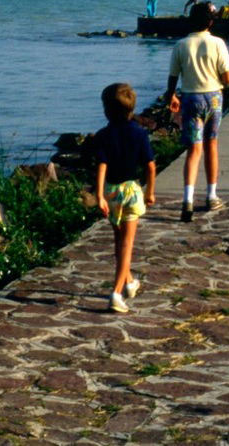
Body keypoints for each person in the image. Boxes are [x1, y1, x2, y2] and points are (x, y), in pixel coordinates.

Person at [166, 2, 229, 222]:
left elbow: (172, 79)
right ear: (211, 21)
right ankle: (211, 195)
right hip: (213, 97)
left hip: (190, 98)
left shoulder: (180, 45)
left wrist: (171, 97)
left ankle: (187, 200)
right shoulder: (218, 43)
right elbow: (228, 78)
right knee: (211, 144)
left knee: (193, 150)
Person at [93, 82, 156, 313]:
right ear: (132, 108)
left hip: (111, 192)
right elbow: (150, 166)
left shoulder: (103, 135)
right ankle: (116, 292)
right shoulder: (139, 134)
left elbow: (101, 165)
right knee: (127, 244)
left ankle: (129, 282)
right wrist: (149, 192)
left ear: (106, 110)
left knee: (119, 241)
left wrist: (99, 195)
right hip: (131, 191)